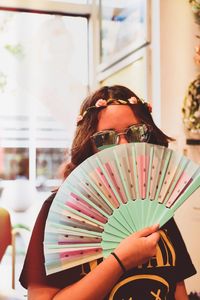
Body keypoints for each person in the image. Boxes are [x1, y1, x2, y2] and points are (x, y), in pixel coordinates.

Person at [19, 85, 196, 300]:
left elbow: (179, 291)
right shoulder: (61, 210)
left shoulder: (156, 204)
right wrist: (120, 261)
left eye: (136, 132)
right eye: (106, 138)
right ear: (89, 146)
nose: (123, 146)